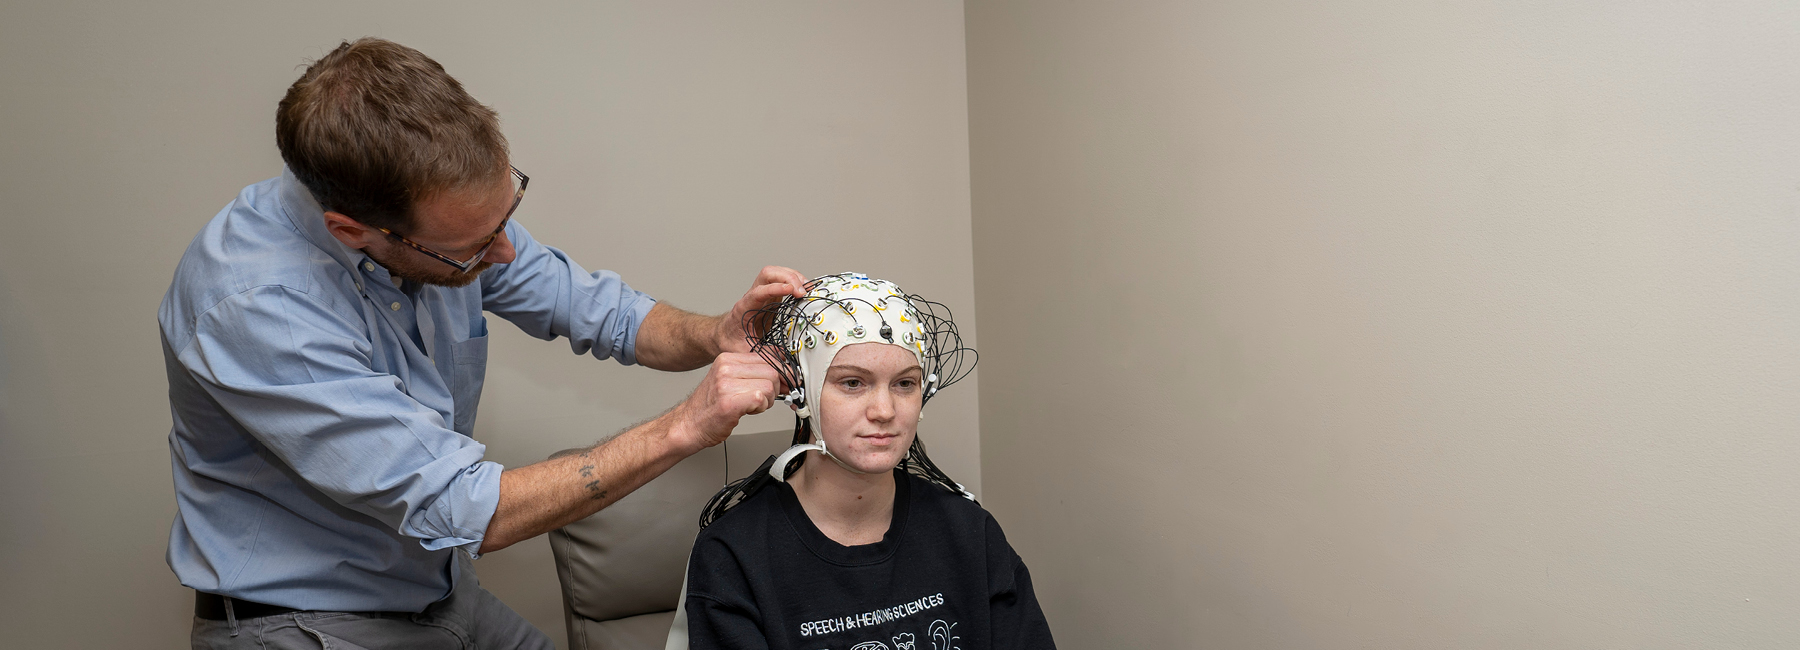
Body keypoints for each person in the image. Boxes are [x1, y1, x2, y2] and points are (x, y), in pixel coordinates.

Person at [159, 38, 800, 649]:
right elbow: (464, 506)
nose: (503, 253)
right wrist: (685, 427)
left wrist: (714, 333)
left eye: (505, 216)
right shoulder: (257, 307)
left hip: (438, 593)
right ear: (352, 230)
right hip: (310, 621)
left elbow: (601, 311)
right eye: (473, 247)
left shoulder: (453, 226)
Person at [672, 273, 1056, 650]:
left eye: (905, 383)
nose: (885, 410)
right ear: (801, 390)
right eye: (853, 383)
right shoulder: (735, 554)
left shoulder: (969, 532)